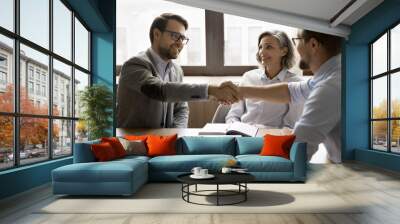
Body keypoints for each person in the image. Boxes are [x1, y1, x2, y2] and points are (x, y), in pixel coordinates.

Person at [237, 29, 343, 163]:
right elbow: (290, 91)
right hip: (337, 165)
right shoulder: (325, 78)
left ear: (313, 45)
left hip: (349, 173)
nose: (296, 47)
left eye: (297, 41)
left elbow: (299, 150)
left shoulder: (329, 87)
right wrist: (239, 92)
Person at [117, 13, 238, 128]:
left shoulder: (177, 70)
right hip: (133, 144)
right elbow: (158, 89)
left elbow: (181, 109)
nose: (180, 43)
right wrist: (211, 90)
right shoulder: (134, 65)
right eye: (175, 36)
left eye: (183, 38)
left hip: (165, 144)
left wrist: (177, 133)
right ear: (157, 34)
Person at [225, 30, 303, 128]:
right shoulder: (248, 77)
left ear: (284, 51)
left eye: (268, 47)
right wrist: (234, 129)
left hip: (273, 138)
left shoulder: (295, 83)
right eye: (260, 47)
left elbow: (291, 124)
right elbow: (233, 115)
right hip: (244, 136)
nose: (262, 51)